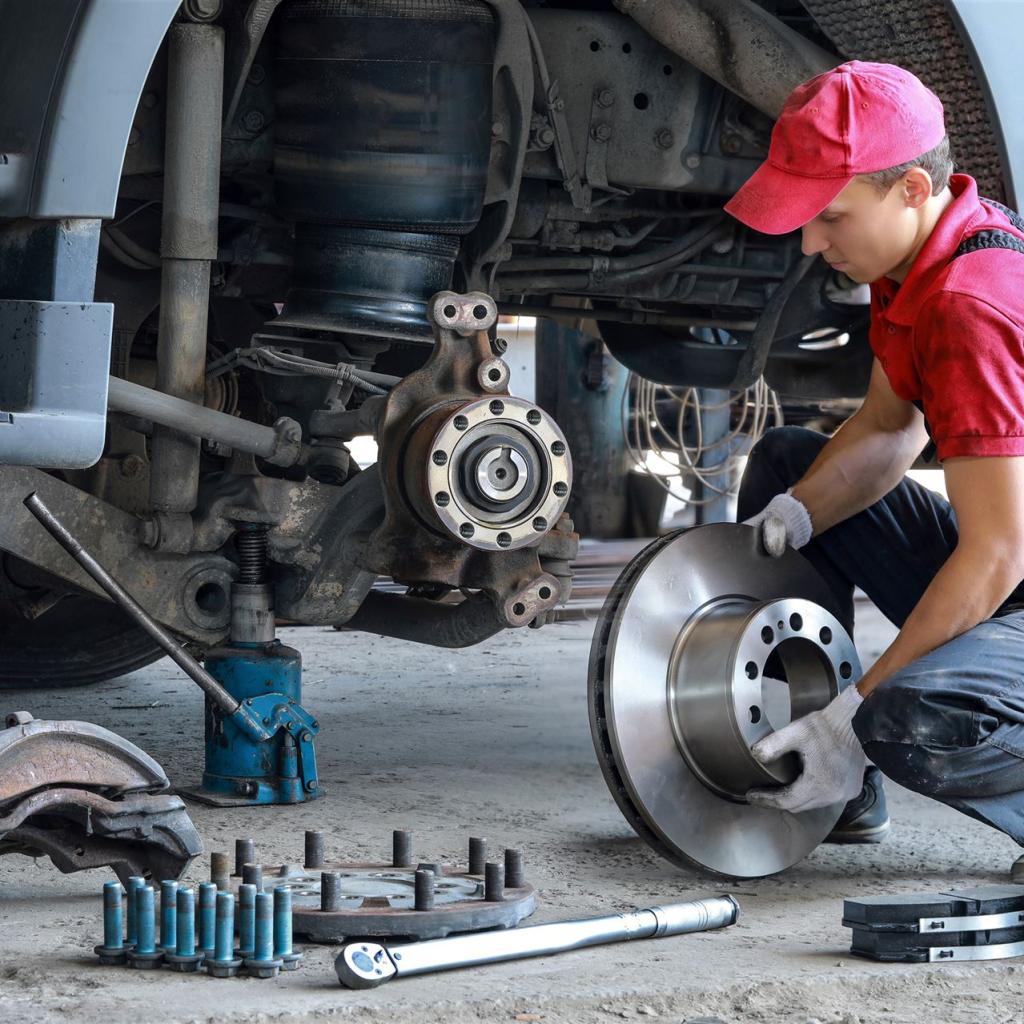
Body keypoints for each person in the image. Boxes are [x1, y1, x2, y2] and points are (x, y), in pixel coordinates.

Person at [727, 60, 1024, 876]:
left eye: (831, 216)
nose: (810, 242)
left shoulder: (969, 305)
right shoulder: (917, 259)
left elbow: (999, 555)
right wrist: (798, 515)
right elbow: (890, 427)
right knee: (788, 467)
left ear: (911, 191)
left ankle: (848, 747)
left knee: (907, 720)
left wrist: (855, 719)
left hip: (1014, 559)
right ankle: (834, 780)